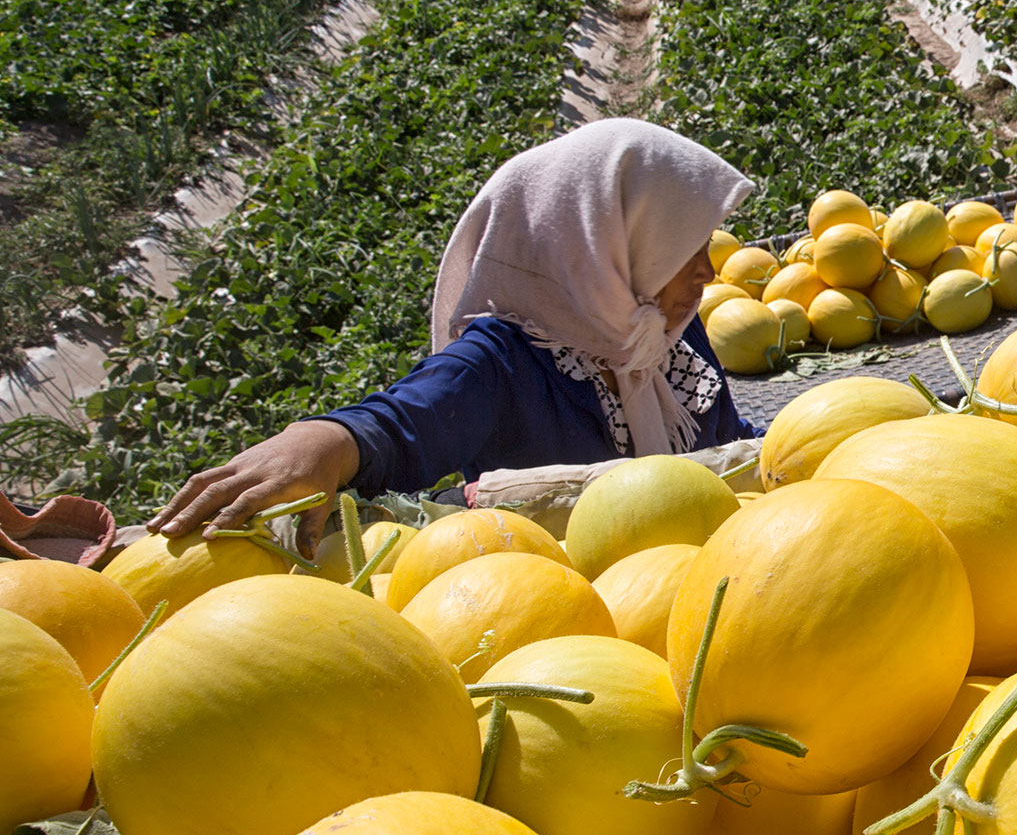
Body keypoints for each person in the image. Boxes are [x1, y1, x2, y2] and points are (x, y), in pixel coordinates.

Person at [150, 118, 762, 549]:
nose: (708, 269)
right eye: (685, 248)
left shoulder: (666, 332)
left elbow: (734, 449)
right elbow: (401, 424)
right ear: (609, 243)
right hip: (564, 618)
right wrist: (323, 442)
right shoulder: (501, 362)